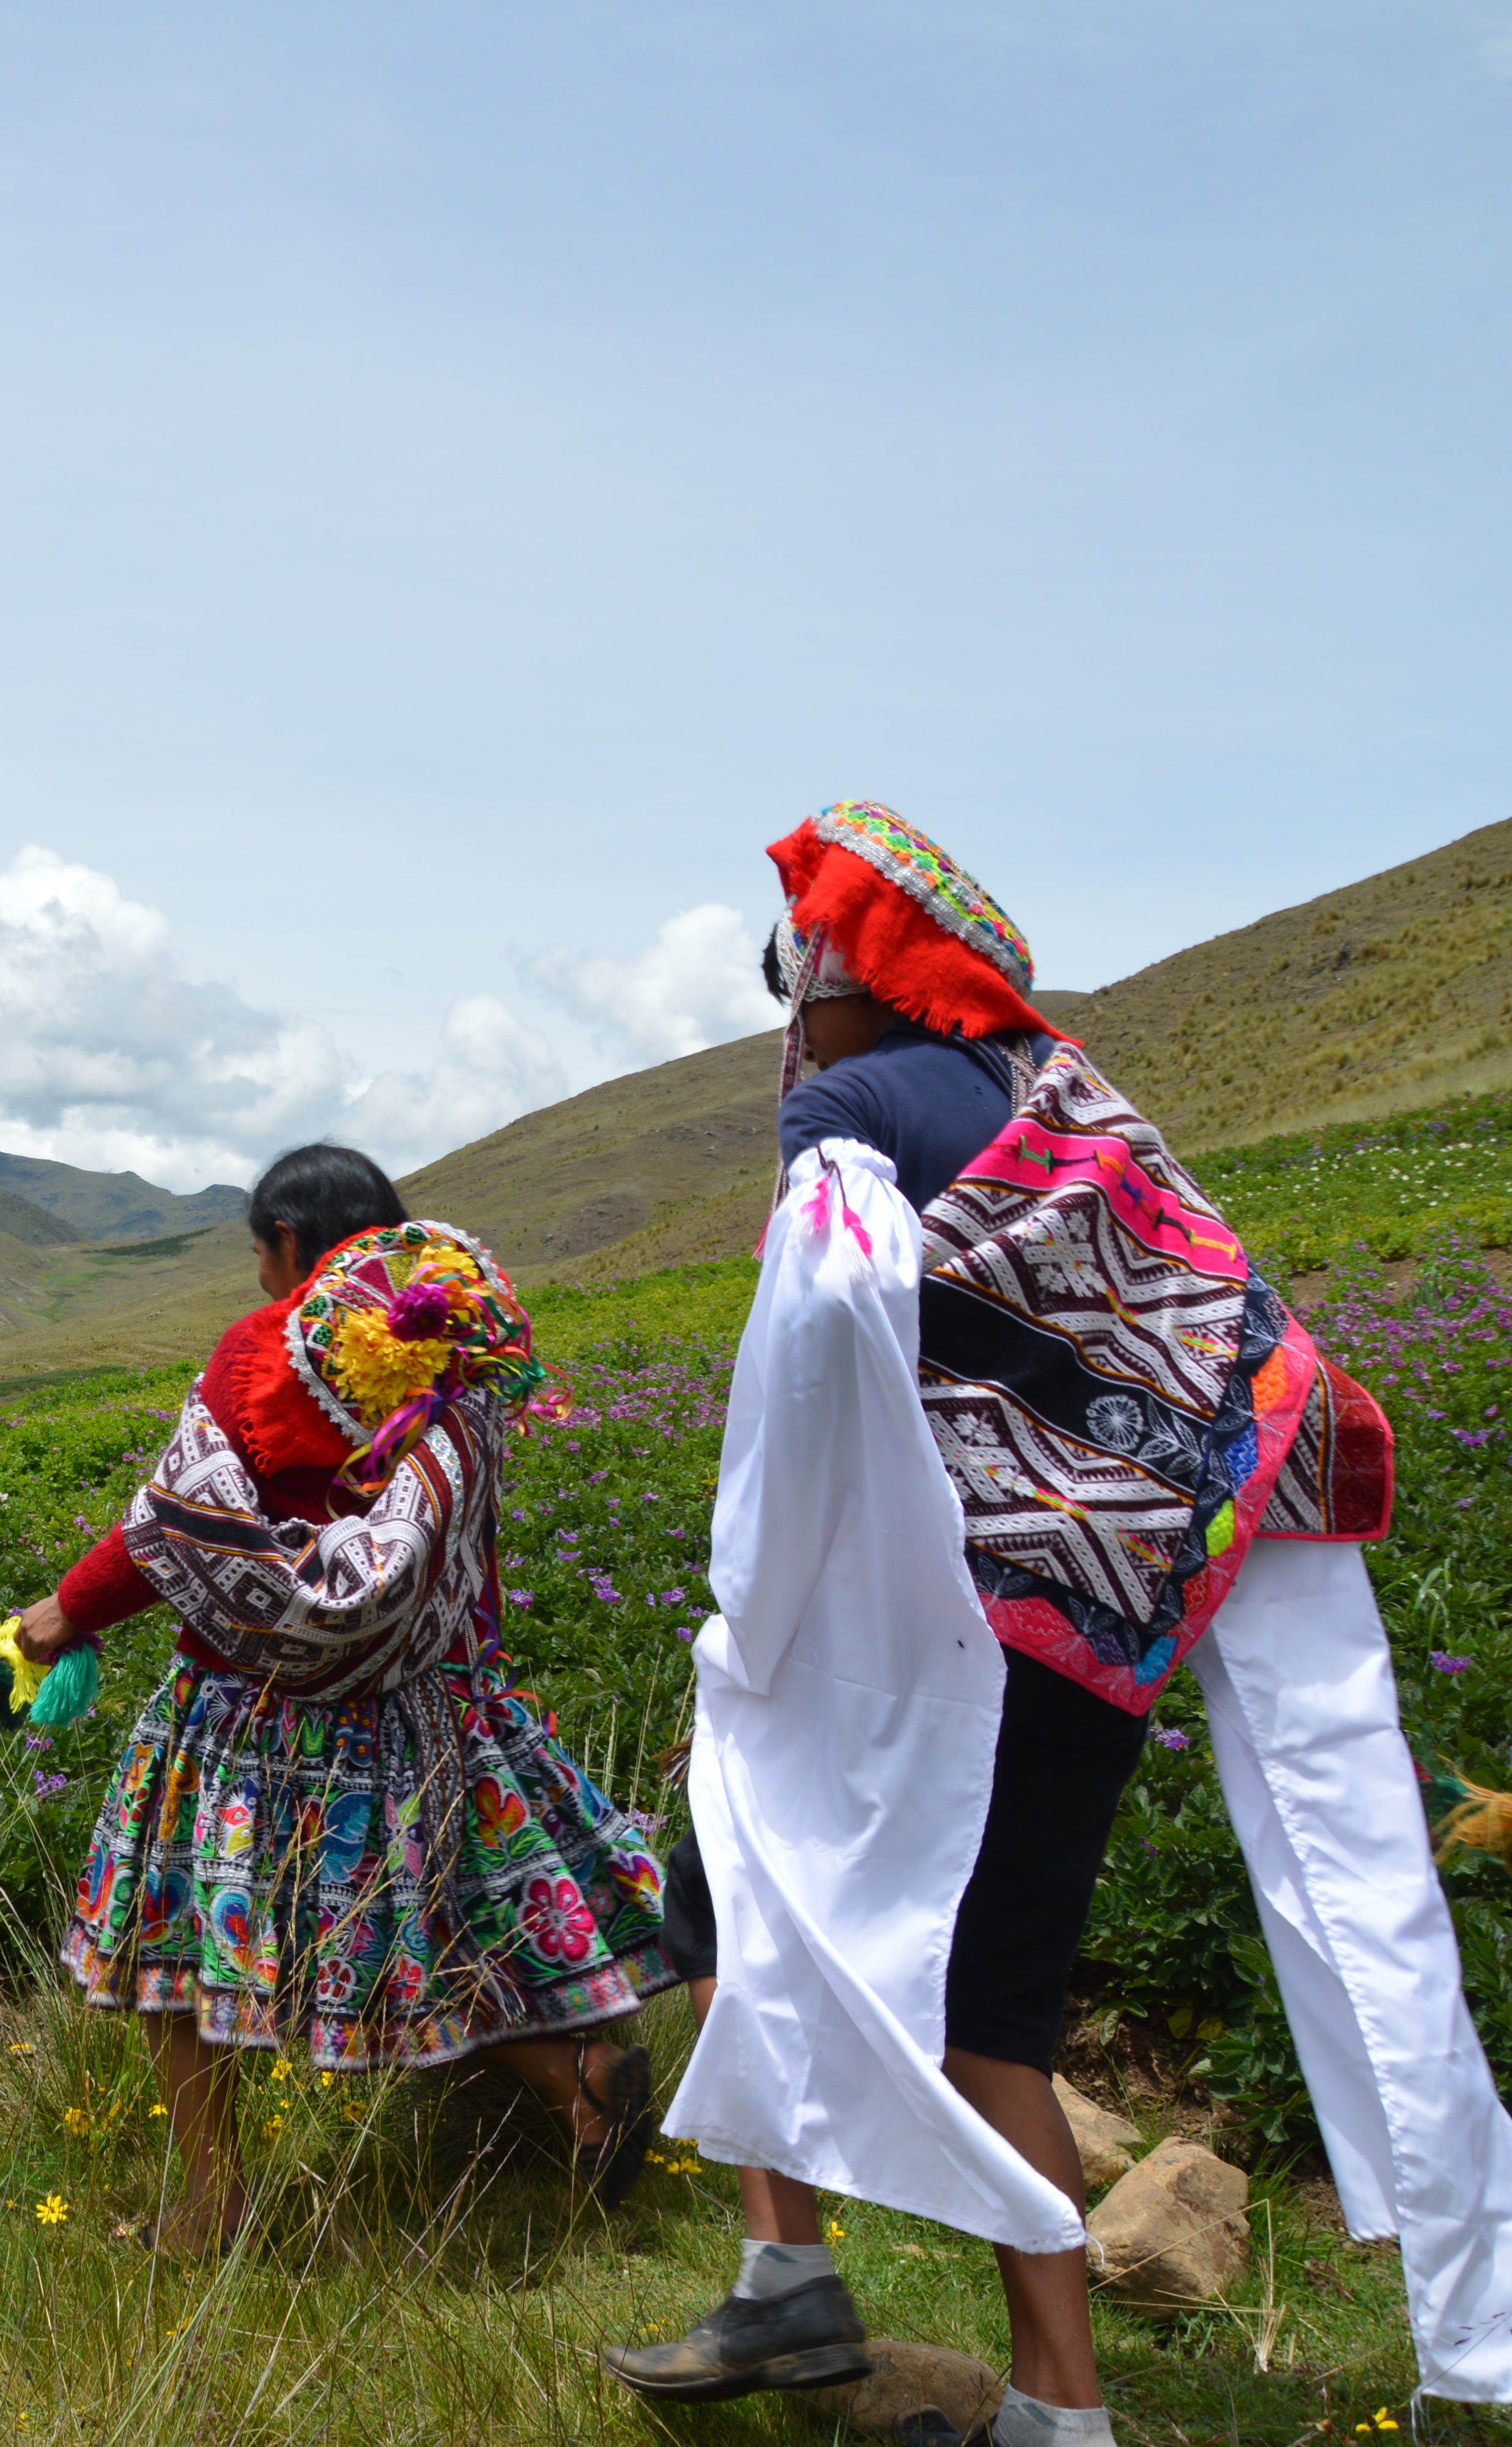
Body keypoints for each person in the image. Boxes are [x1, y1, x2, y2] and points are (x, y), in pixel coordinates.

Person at [607, 804, 1509, 2441]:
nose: (787, 1023)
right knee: (993, 2011)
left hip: (917, 1629)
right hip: (1099, 1631)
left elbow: (817, 1366)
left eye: (787, 982)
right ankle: (1056, 2407)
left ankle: (790, 2275)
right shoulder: (1093, 1128)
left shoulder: (848, 1106)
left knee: (741, 1889)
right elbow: (1237, 1377)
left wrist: (755, 1628)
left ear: (839, 974)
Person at [11, 1144, 674, 2256]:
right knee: (432, 1923)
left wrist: (64, 1615)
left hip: (247, 1714)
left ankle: (217, 2201)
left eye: (259, 1254)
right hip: (418, 1706)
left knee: (169, 1953)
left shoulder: (255, 1353)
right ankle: (577, 2079)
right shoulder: (452, 1359)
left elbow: (174, 1526)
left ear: (284, 1245)